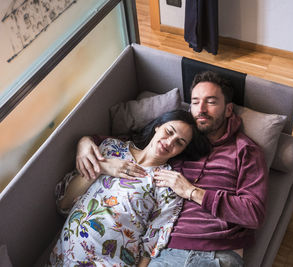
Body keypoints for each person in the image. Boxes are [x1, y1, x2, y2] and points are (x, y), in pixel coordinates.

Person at [76, 71, 268, 267]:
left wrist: (192, 192)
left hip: (213, 252)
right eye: (195, 101)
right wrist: (84, 143)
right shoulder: (179, 144)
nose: (201, 109)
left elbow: (253, 214)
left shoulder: (245, 151)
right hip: (162, 252)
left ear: (228, 110)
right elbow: (130, 148)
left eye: (211, 102)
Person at [48, 110, 210, 267]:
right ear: (158, 126)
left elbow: (151, 245)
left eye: (179, 142)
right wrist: (102, 167)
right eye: (169, 131)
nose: (169, 142)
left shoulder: (167, 185)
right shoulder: (110, 148)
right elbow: (64, 204)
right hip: (64, 257)